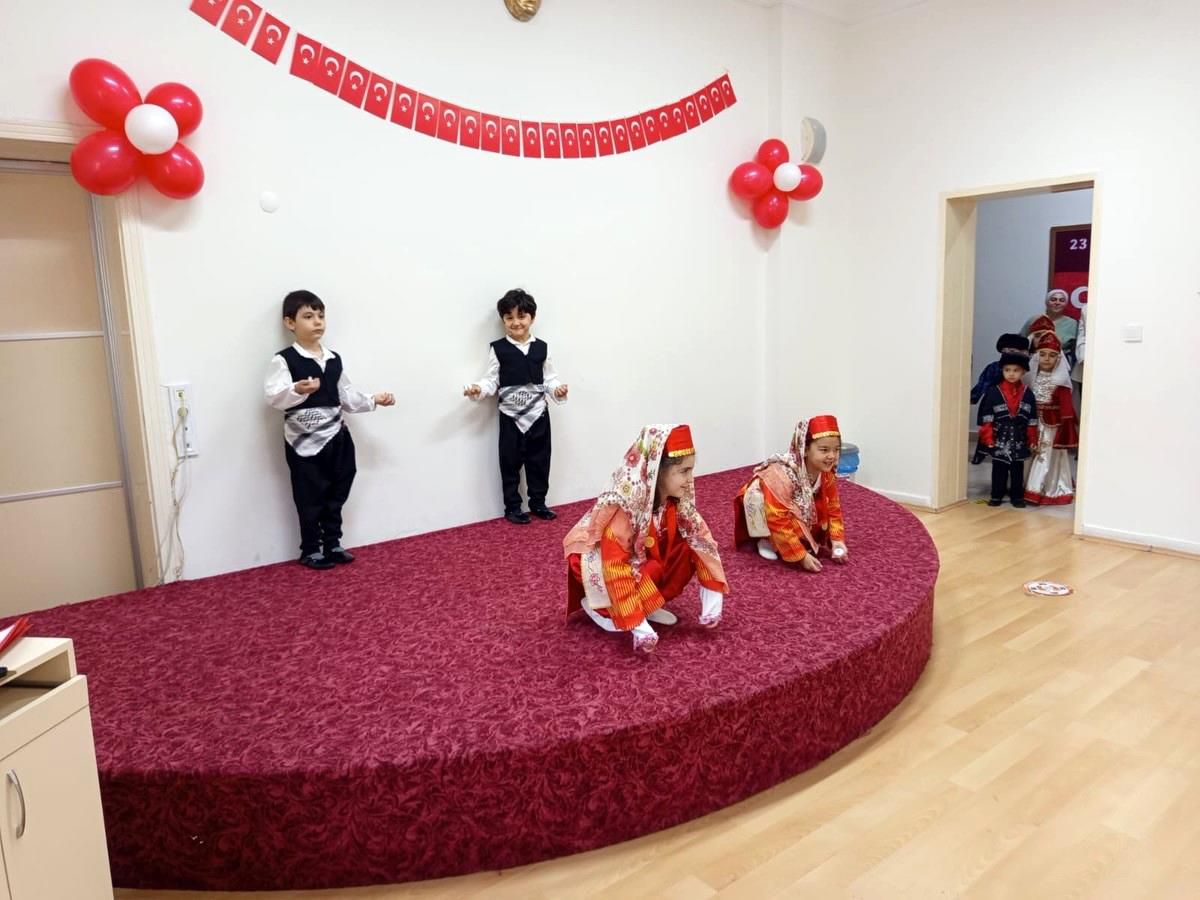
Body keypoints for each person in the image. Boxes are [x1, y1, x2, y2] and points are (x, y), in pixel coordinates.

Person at [563, 424, 727, 654]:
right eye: (683, 471)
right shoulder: (627, 507)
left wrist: (713, 599)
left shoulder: (675, 503)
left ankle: (645, 605)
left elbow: (702, 540)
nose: (690, 480)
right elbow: (614, 565)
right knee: (647, 569)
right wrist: (638, 626)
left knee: (688, 544)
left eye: (691, 471)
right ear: (657, 471)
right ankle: (600, 608)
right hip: (600, 564)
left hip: (637, 561)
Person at [264, 290, 395, 569]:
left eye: (321, 316)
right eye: (308, 316)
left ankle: (333, 542)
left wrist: (374, 400)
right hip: (303, 442)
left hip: (337, 437)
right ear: (290, 322)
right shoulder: (285, 359)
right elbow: (273, 396)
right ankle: (311, 548)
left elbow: (346, 395)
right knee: (309, 493)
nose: (317, 322)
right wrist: (297, 389)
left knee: (340, 486)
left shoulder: (333, 359)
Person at [464, 288, 568, 525]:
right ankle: (512, 507)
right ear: (503, 320)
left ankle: (538, 502)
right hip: (510, 416)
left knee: (540, 460)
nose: (516, 322)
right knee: (509, 461)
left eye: (521, 316)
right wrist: (478, 389)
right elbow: (492, 380)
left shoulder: (542, 348)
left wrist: (557, 390)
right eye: (509, 317)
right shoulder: (498, 348)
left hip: (538, 415)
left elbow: (550, 378)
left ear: (532, 317)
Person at [732, 415, 848, 570]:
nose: (832, 456)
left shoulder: (826, 474)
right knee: (771, 508)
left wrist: (837, 539)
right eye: (824, 450)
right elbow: (776, 516)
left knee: (819, 508)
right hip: (766, 508)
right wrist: (801, 555)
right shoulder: (780, 476)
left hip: (791, 507)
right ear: (805, 449)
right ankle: (766, 539)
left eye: (836, 450)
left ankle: (795, 538)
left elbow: (833, 506)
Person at [1024, 331, 1079, 506]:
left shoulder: (1061, 381)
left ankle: (1038, 490)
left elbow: (1066, 409)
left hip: (1051, 426)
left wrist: (1066, 429)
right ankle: (1025, 485)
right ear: (1037, 356)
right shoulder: (1031, 377)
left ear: (1058, 358)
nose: (1047, 359)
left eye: (1052, 355)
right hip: (1032, 423)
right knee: (1030, 454)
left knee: (1046, 456)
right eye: (1043, 354)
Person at [977, 353, 1038, 507]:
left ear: (1023, 372)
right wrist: (988, 438)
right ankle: (996, 495)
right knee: (999, 468)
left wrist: (1032, 439)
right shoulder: (993, 392)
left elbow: (1032, 420)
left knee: (1017, 469)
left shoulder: (1028, 393)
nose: (1011, 374)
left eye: (1016, 370)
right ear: (1002, 371)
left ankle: (1017, 497)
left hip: (1019, 438)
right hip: (999, 437)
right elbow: (987, 418)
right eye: (1007, 370)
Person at [971, 333, 1031, 464]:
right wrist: (973, 397)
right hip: (991, 403)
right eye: (1007, 351)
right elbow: (983, 383)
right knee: (987, 426)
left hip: (1014, 403)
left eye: (1014, 351)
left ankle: (1011, 452)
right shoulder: (994, 367)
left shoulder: (1023, 369)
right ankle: (980, 453)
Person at [1022, 289, 1078, 369]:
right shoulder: (1035, 319)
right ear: (1047, 302)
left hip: (1060, 364)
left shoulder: (1072, 324)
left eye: (1061, 300)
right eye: (1053, 299)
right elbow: (1021, 340)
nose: (1057, 303)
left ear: (1065, 304)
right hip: (1033, 362)